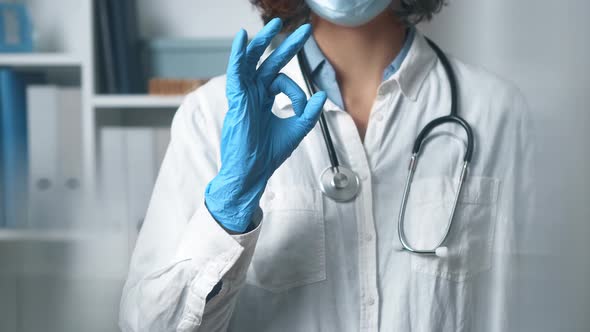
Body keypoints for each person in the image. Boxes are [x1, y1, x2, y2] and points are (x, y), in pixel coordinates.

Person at [119, 0, 536, 331]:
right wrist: (227, 213)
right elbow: (151, 326)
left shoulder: (497, 113)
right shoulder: (212, 116)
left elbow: (535, 306)